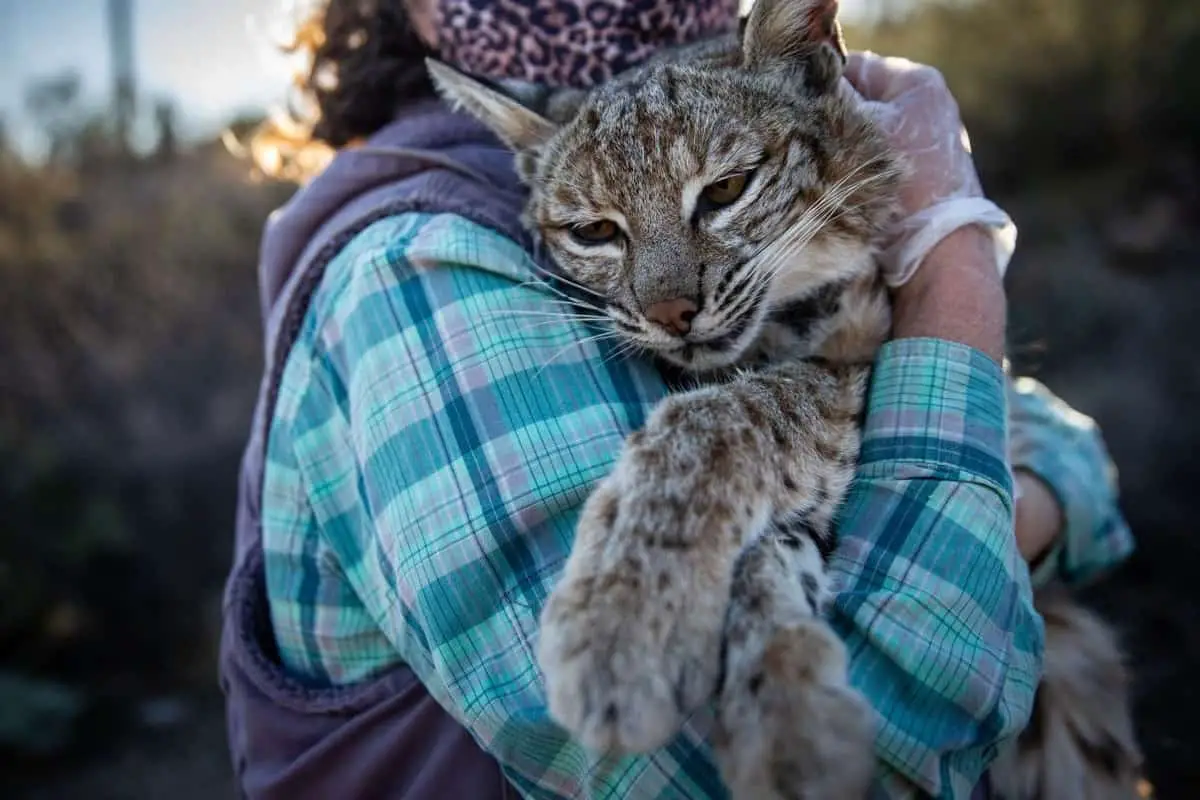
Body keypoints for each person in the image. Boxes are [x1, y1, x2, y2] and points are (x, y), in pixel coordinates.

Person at [219, 1, 1134, 798]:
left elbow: (1069, 456)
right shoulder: (415, 273)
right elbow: (869, 757)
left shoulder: (697, 130)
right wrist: (954, 262)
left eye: (723, 190)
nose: (672, 302)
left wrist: (1024, 490)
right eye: (596, 234)